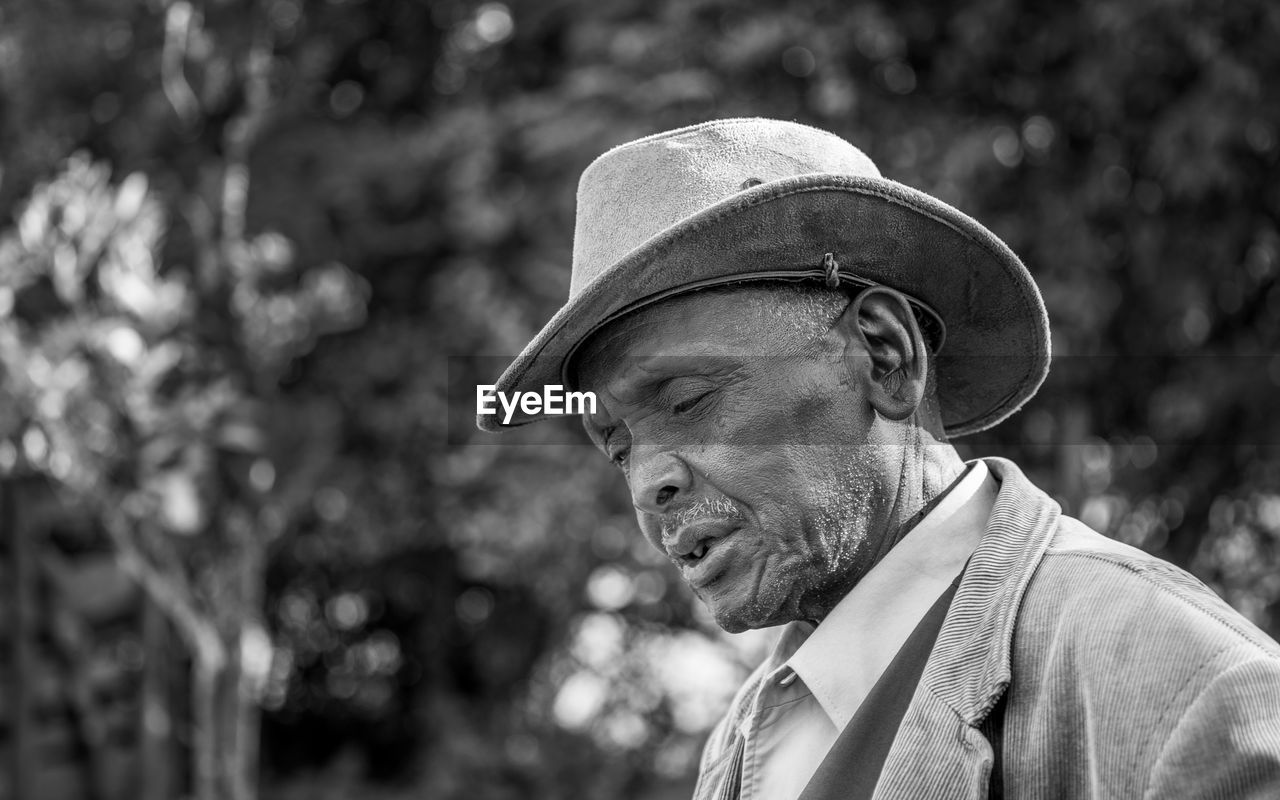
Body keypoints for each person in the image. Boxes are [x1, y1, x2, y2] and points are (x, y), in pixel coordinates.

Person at [477, 118, 1280, 799]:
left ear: (884, 356)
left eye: (686, 401)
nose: (651, 481)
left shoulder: (1181, 680)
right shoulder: (745, 742)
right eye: (617, 446)